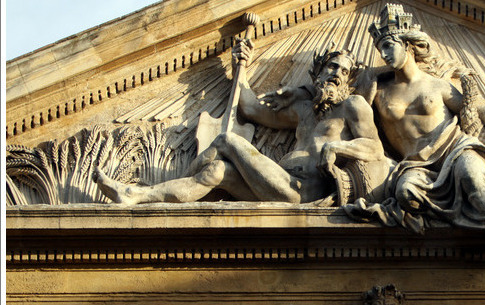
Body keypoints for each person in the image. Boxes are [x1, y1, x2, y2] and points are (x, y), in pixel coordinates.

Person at [348, 4, 485, 298]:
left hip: (454, 148)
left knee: (472, 178)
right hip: (414, 164)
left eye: (390, 46)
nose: (385, 54)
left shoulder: (437, 84)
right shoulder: (378, 90)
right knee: (405, 194)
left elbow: (477, 112)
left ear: (408, 45)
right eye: (381, 48)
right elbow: (357, 120)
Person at [93, 41, 387, 205]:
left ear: (349, 81)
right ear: (318, 73)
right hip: (276, 182)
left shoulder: (353, 106)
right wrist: (240, 67)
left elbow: (373, 147)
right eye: (331, 67)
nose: (336, 74)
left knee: (227, 141)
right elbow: (251, 109)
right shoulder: (304, 111)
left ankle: (168, 181)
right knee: (217, 171)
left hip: (303, 189)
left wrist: (337, 147)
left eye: (343, 71)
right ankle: (136, 195)